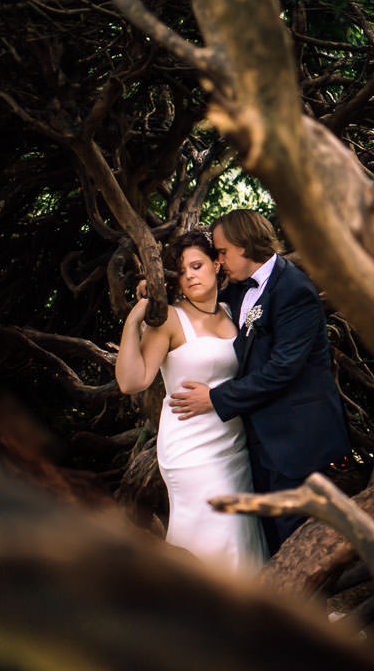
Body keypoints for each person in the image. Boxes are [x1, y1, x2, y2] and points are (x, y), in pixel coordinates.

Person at [168, 210, 352, 554]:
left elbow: (283, 369)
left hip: (297, 438)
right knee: (270, 540)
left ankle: (312, 608)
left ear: (244, 245)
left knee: (299, 540)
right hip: (258, 439)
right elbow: (201, 303)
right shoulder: (239, 290)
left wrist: (216, 398)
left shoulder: (294, 289)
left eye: (222, 252)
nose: (219, 262)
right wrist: (154, 289)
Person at [115, 230, 267, 574]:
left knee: (240, 533)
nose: (190, 276)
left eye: (197, 265)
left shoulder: (235, 311)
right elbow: (131, 381)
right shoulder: (170, 318)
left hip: (233, 444)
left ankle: (251, 614)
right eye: (182, 271)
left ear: (217, 264)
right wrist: (133, 320)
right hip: (189, 450)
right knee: (210, 533)